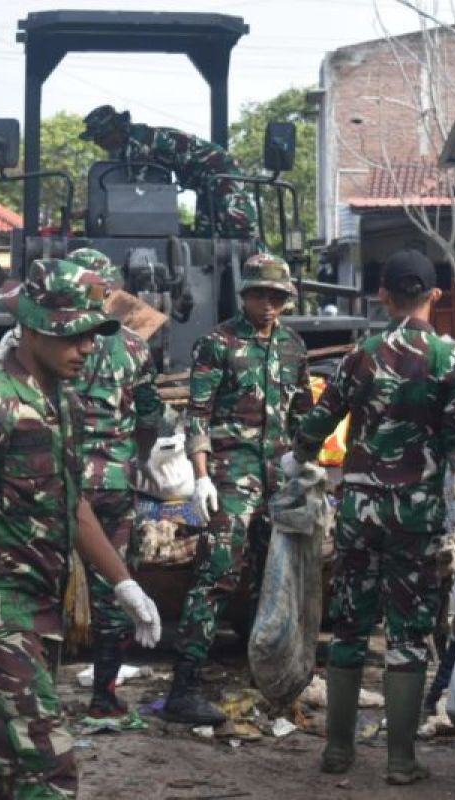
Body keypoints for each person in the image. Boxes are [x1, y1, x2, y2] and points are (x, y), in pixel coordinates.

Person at [0, 257, 162, 799]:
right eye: (74, 337)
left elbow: (73, 503)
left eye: (93, 336)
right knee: (47, 767)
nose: (87, 349)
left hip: (40, 605)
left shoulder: (63, 402)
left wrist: (122, 581)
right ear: (32, 330)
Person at [284, 249, 455, 785]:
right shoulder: (450, 360)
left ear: (382, 294)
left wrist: (296, 456)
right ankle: (401, 761)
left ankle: (337, 751)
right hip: (416, 518)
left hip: (360, 512)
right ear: (435, 295)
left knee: (349, 627)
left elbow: (319, 422)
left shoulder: (359, 355)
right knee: (408, 634)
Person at [162, 253, 313, 726]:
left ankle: (269, 675)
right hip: (231, 475)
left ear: (286, 300)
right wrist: (202, 475)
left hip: (279, 476)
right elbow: (198, 415)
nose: (266, 305)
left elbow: (305, 414)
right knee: (217, 574)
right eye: (258, 295)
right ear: (244, 295)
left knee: (276, 574)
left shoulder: (292, 347)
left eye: (275, 296)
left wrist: (308, 467)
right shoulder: (218, 344)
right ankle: (183, 687)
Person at [64, 248, 163, 718]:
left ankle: (34, 692)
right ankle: (104, 696)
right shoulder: (135, 345)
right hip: (115, 481)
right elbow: (150, 414)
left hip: (59, 482)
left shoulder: (50, 341)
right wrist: (139, 458)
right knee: (113, 587)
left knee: (43, 583)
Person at [81, 104, 257, 239]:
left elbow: (136, 193)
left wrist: (100, 213)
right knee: (207, 232)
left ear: (113, 132)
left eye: (99, 137)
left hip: (218, 169)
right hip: (202, 181)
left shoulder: (138, 145)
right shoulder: (131, 143)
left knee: (237, 223)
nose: (98, 143)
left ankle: (259, 257)